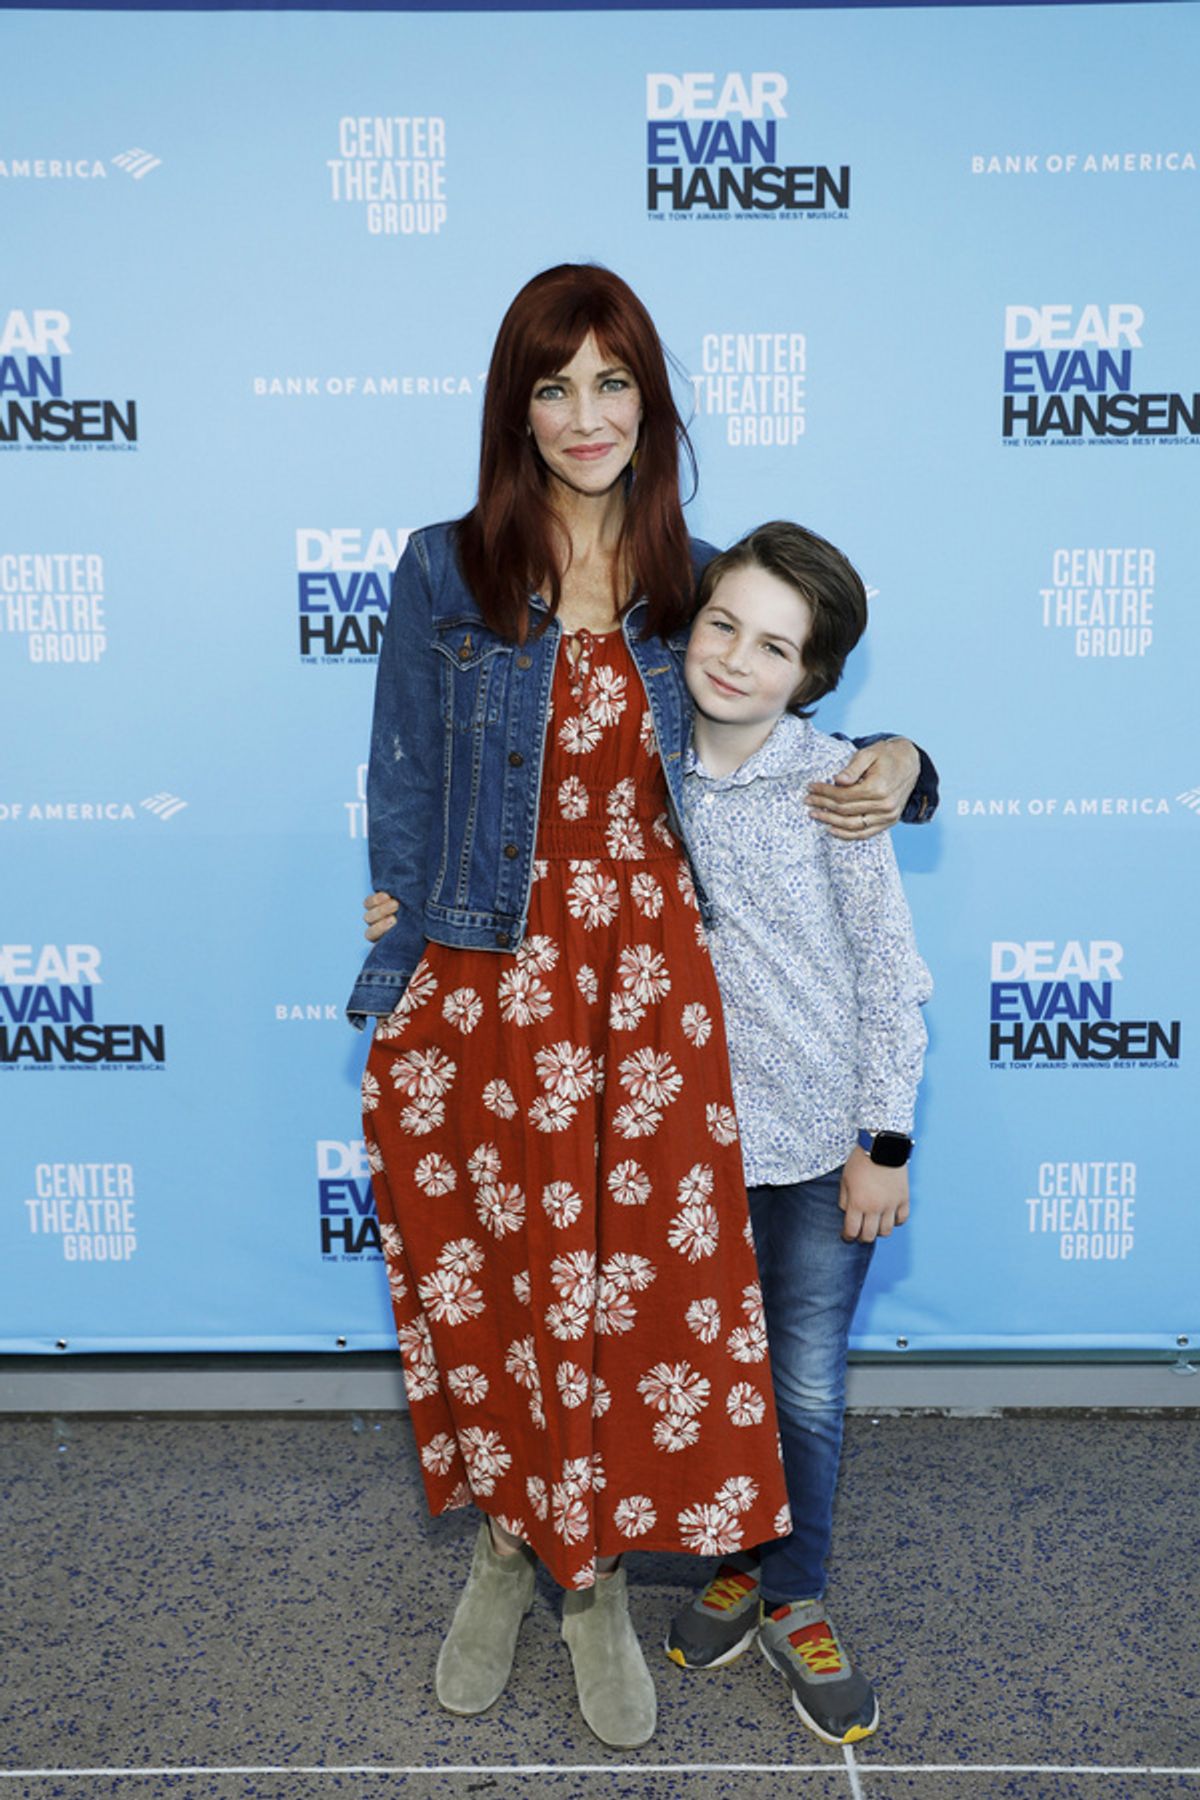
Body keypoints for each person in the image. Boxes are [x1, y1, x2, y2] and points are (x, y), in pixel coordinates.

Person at [347, 263, 936, 1750]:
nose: (585, 415)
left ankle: (593, 1571)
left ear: (651, 401)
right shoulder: (443, 567)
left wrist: (911, 758)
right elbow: (407, 776)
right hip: (490, 978)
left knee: (622, 1305)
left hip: (656, 1000)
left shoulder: (699, 574)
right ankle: (505, 1543)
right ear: (516, 407)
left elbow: (812, 721)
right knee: (497, 1291)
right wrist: (399, 939)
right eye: (554, 386)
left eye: (613, 383)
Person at [660, 520, 932, 1746]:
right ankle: (734, 1559)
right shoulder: (639, 766)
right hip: (686, 1148)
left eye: (774, 647)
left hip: (823, 1148)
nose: (735, 659)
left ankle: (795, 1589)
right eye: (722, 625)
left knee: (804, 1385)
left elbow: (889, 971)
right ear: (690, 624)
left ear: (811, 679)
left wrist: (885, 1141)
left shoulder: (839, 785)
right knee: (715, 1378)